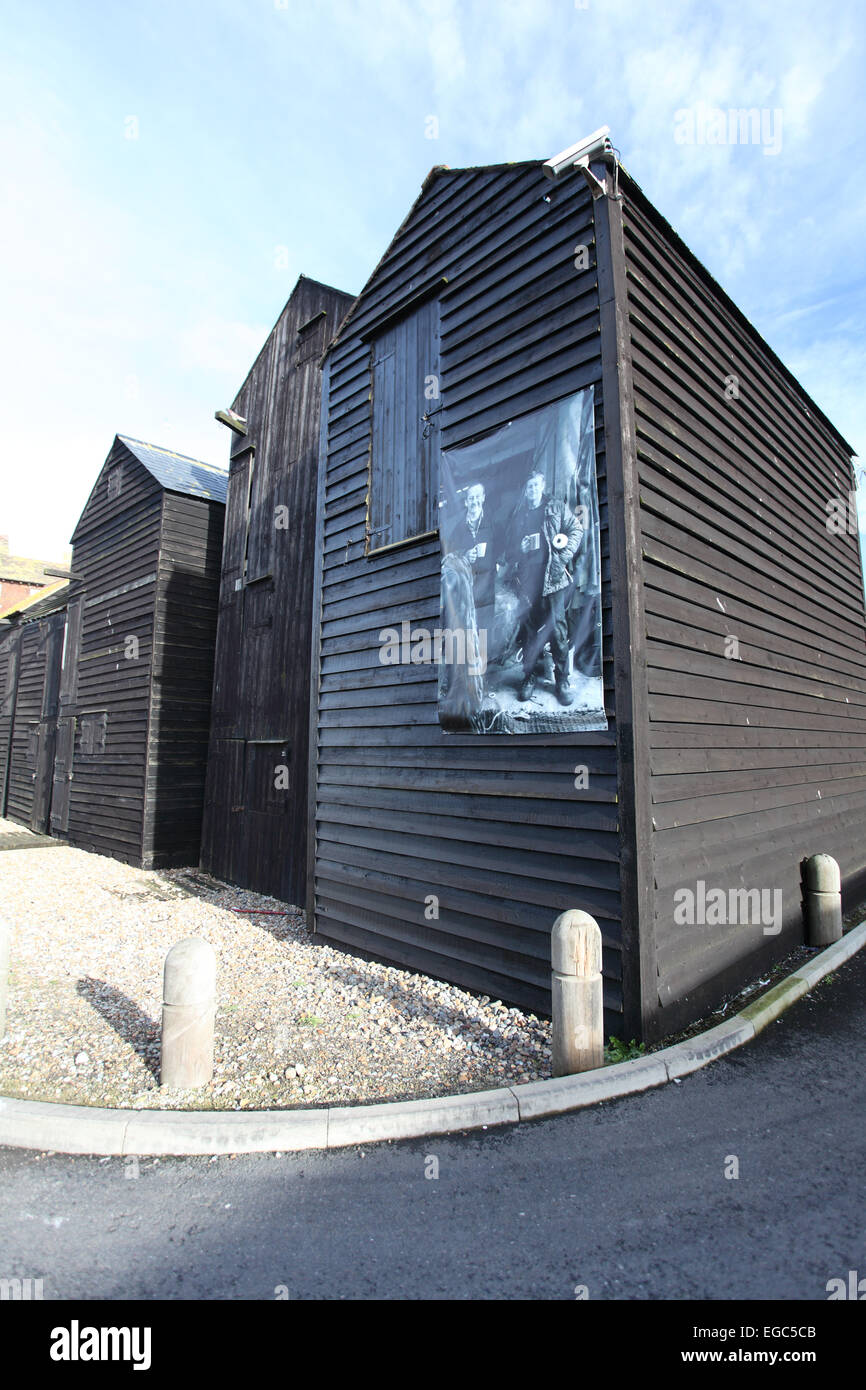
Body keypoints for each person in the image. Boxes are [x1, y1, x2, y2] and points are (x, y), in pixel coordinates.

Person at [507, 470, 584, 706]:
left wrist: (563, 557)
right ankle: (529, 676)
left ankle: (562, 681)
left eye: (535, 486)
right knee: (529, 632)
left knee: (558, 631)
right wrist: (519, 547)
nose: (532, 490)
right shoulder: (519, 516)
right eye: (528, 487)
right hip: (528, 582)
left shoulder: (556, 508)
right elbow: (510, 551)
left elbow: (577, 530)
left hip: (554, 578)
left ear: (542, 486)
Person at [448, 482, 497, 647]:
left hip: (487, 588)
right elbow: (449, 559)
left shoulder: (493, 524)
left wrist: (499, 568)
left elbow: (502, 550)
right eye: (471, 498)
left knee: (486, 629)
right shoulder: (457, 529)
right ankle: (470, 668)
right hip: (466, 589)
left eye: (477, 496)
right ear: (466, 502)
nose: (474, 501)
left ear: (483, 498)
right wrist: (464, 555)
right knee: (467, 629)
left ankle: (484, 668)